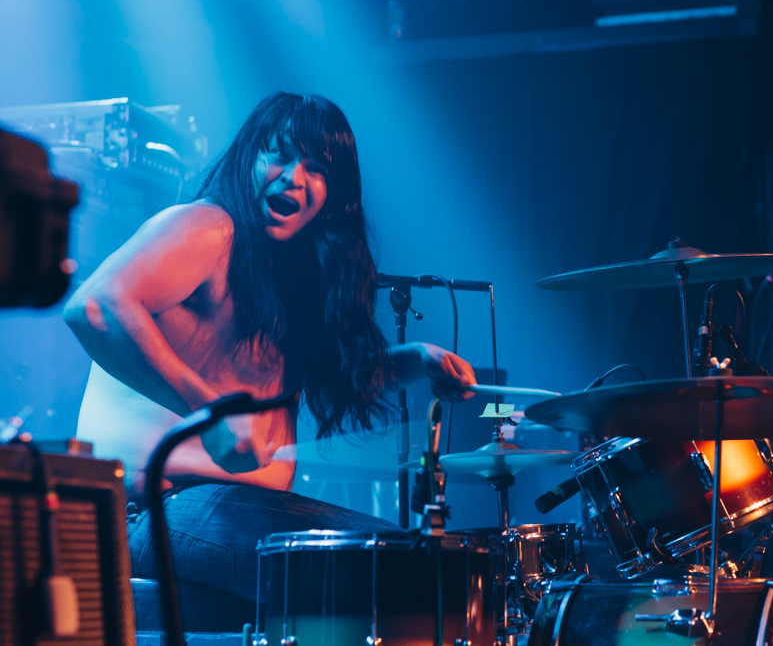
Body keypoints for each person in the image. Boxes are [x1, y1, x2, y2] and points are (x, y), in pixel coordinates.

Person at [63, 92, 477, 621]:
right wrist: (212, 412)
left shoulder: (292, 279)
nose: (294, 178)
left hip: (223, 508)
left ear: (335, 193)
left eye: (317, 168)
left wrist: (416, 360)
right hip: (147, 512)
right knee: (400, 570)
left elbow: (338, 379)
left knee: (422, 562)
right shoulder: (209, 227)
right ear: (248, 159)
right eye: (278, 155)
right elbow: (95, 306)